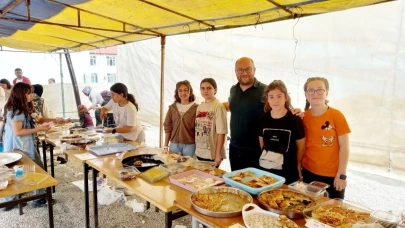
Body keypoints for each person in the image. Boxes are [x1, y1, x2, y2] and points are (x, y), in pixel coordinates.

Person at [2, 83, 52, 210]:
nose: (31, 95)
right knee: (36, 170)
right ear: (21, 94)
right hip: (21, 146)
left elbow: (35, 121)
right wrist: (39, 129)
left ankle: (12, 200)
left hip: (22, 145)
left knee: (20, 171)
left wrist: (48, 122)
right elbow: (18, 132)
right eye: (29, 93)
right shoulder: (17, 109)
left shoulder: (20, 107)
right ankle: (37, 199)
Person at [301, 77, 350, 199]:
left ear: (326, 93)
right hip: (308, 173)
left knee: (333, 213)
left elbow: (345, 147)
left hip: (333, 176)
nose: (315, 93)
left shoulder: (336, 115)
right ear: (306, 94)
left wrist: (342, 175)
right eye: (311, 90)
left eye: (320, 90)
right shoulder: (303, 117)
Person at [257, 80, 305, 184]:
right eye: (272, 97)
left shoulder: (295, 120)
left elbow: (301, 147)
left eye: (279, 96)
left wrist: (296, 165)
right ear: (267, 99)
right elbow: (262, 144)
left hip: (288, 172)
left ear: (286, 97)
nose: (276, 100)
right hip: (267, 171)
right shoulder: (263, 119)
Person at [223, 57, 267, 171]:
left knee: (255, 184)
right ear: (235, 72)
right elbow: (233, 106)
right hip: (234, 147)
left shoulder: (265, 90)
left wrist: (296, 111)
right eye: (240, 70)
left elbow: (280, 107)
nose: (244, 73)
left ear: (254, 70)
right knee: (236, 183)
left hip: (256, 150)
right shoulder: (233, 89)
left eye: (248, 69)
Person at [195, 78, 227, 166]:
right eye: (203, 88)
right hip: (200, 151)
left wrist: (217, 155)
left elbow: (222, 132)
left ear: (215, 90)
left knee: (210, 178)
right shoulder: (199, 107)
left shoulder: (218, 106)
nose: (205, 91)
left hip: (212, 154)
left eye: (209, 88)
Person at [163, 80, 198, 157]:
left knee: (189, 167)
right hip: (174, 144)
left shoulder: (196, 108)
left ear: (190, 91)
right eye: (180, 90)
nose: (183, 93)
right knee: (173, 166)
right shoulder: (172, 108)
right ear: (177, 93)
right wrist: (165, 145)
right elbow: (167, 127)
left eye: (186, 90)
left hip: (190, 145)